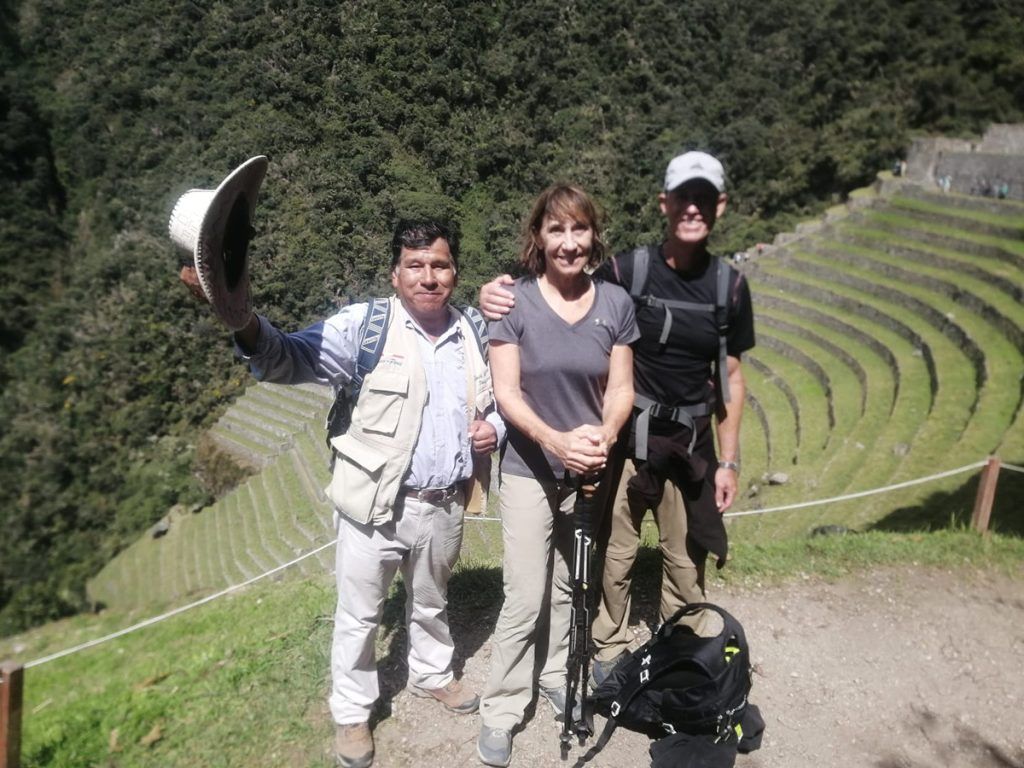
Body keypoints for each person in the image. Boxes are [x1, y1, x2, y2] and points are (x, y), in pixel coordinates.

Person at [184, 220, 503, 768]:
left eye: (441, 265)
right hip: (374, 506)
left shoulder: (473, 330)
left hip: (446, 500)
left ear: (455, 272)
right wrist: (242, 321)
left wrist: (492, 428)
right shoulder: (367, 326)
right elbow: (286, 358)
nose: (429, 277)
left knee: (431, 600)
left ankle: (432, 674)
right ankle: (353, 712)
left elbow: (494, 400)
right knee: (359, 615)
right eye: (416, 265)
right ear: (395, 273)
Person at [480, 151, 755, 686]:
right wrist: (492, 290)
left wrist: (728, 460)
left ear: (719, 206)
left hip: (691, 443)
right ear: (665, 204)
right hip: (630, 440)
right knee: (616, 555)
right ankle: (607, 652)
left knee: (684, 557)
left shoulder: (731, 287)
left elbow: (734, 377)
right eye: (683, 199)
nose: (692, 209)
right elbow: (559, 279)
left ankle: (685, 653)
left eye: (704, 199)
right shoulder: (628, 270)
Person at [476, 185, 638, 767]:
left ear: (593, 236)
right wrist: (556, 441)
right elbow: (506, 393)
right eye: (556, 231)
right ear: (538, 239)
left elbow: (621, 388)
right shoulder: (511, 303)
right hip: (528, 467)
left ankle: (555, 677)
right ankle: (501, 707)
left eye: (579, 230)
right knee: (524, 594)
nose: (568, 243)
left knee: (574, 585)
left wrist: (604, 437)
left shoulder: (615, 303)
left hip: (590, 467)